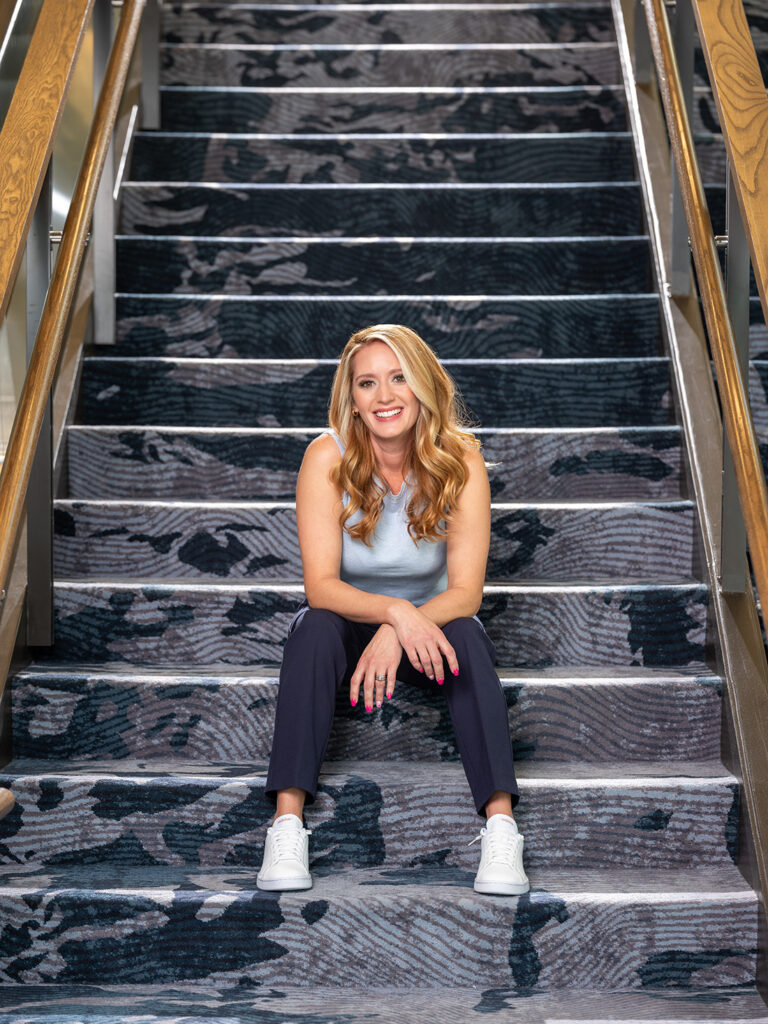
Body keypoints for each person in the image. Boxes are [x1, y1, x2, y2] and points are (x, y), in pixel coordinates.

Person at [256, 324, 529, 896]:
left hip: (434, 622)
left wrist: (405, 624)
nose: (384, 396)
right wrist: (392, 616)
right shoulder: (325, 458)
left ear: (423, 384)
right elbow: (322, 587)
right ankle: (286, 824)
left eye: (399, 377)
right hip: (347, 627)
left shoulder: (462, 460)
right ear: (351, 398)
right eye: (367, 383)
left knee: (471, 636)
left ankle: (501, 827)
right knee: (311, 630)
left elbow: (467, 593)